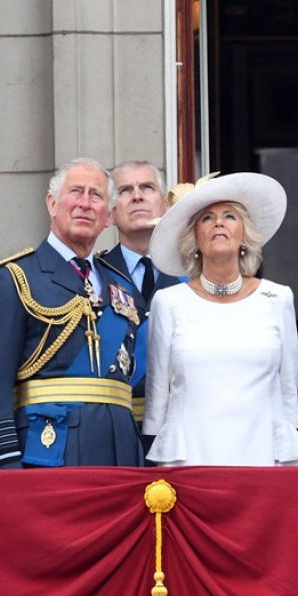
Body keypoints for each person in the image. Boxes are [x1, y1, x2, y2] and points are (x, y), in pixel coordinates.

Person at [0, 157, 145, 468]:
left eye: (96, 195)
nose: (85, 203)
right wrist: (4, 463)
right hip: (49, 452)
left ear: (109, 215)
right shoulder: (15, 279)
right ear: (52, 204)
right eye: (75, 192)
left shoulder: (123, 286)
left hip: (121, 455)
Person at [143, 172, 298, 465]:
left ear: (245, 234)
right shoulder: (168, 302)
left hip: (262, 456)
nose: (219, 222)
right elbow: (157, 399)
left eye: (229, 216)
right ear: (194, 238)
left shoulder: (278, 298)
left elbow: (288, 397)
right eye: (207, 218)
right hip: (190, 461)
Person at [100, 160, 181, 425]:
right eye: (125, 190)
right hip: (116, 426)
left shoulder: (192, 277)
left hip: (180, 427)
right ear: (110, 214)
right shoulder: (94, 277)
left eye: (147, 187)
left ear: (166, 207)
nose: (137, 196)